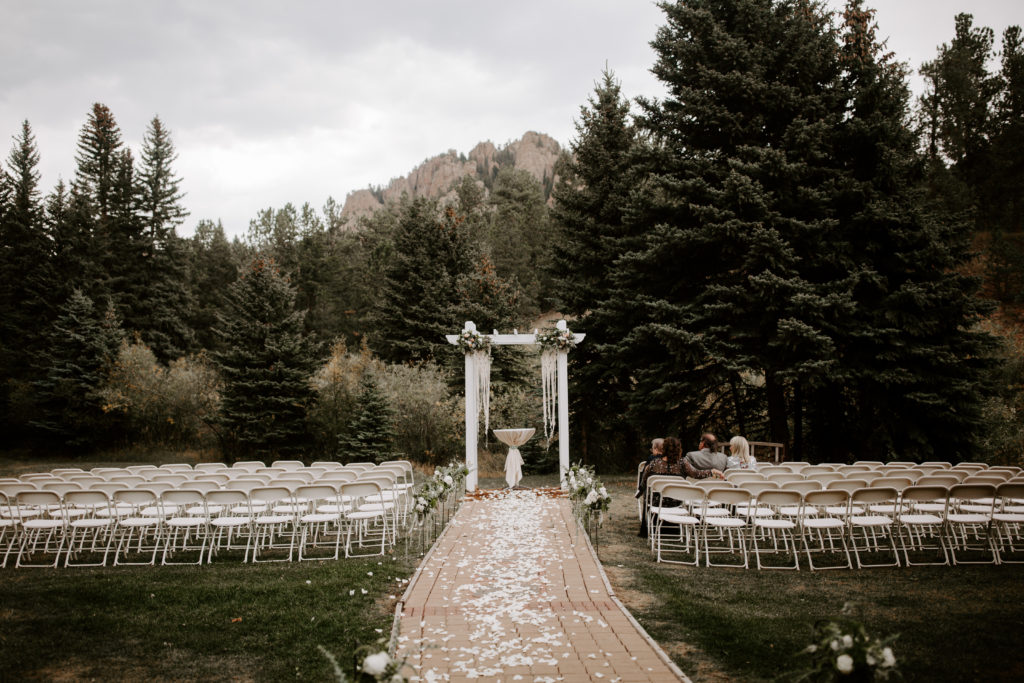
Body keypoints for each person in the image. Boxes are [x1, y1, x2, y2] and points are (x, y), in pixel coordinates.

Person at [637, 436, 684, 537]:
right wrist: (712, 472)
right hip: (676, 501)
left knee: (649, 491)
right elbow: (696, 473)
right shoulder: (682, 463)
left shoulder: (653, 462)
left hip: (656, 501)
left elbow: (644, 482)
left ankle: (648, 527)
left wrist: (640, 489)